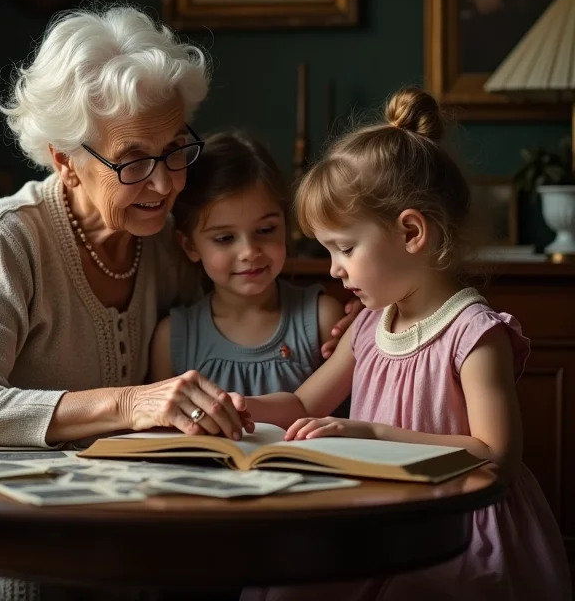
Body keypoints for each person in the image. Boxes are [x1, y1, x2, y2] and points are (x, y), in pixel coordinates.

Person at [0, 5, 361, 601]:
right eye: (133, 161)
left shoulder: (164, 239)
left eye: (175, 149)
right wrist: (132, 403)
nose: (164, 185)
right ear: (65, 159)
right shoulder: (9, 234)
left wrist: (342, 332)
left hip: (96, 500)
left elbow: (231, 315)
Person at [236, 87, 571, 601]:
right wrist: (240, 408)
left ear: (411, 231)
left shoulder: (473, 333)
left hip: (456, 526)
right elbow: (304, 403)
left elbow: (495, 457)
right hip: (379, 515)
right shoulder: (369, 323)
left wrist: (369, 433)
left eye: (345, 247)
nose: (333, 268)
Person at [150, 131, 342, 397]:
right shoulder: (173, 338)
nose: (250, 252)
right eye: (225, 238)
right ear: (190, 246)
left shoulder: (322, 320)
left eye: (265, 230)